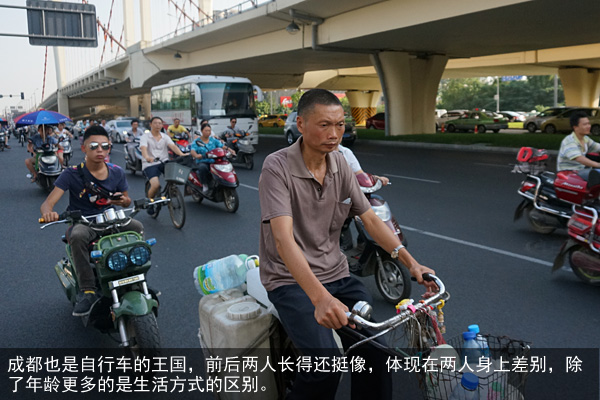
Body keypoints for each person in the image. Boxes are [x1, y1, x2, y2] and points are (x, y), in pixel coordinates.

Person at [258, 89, 436, 400]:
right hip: (291, 281)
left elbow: (369, 220)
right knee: (324, 366)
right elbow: (283, 240)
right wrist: (320, 299)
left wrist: (412, 263)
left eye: (340, 125)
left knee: (377, 351)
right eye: (324, 125)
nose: (334, 133)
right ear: (300, 124)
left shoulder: (340, 164)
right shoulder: (277, 167)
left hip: (337, 274)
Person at [40, 126, 143, 316]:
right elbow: (48, 203)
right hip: (85, 222)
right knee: (77, 236)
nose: (100, 150)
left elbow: (127, 199)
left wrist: (123, 200)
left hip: (110, 219)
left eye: (105, 146)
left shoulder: (117, 171)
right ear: (84, 148)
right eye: (94, 146)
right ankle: (87, 290)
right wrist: (49, 213)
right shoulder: (71, 173)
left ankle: (136, 277)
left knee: (137, 228)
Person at [140, 116, 186, 215]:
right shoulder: (145, 137)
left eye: (160, 123)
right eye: (155, 123)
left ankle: (171, 191)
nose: (158, 125)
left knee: (174, 177)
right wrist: (147, 157)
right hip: (150, 164)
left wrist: (181, 154)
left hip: (164, 162)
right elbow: (143, 148)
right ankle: (150, 202)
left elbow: (173, 146)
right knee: (156, 185)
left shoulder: (165, 136)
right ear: (151, 124)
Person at [190, 123, 235, 193]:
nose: (208, 132)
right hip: (204, 161)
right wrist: (196, 155)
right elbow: (192, 150)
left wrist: (230, 150)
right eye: (206, 131)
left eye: (209, 130)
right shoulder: (197, 141)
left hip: (215, 161)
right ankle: (204, 184)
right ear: (201, 131)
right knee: (202, 168)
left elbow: (222, 146)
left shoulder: (213, 140)